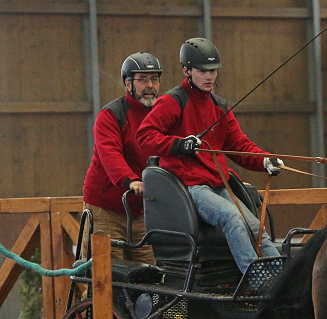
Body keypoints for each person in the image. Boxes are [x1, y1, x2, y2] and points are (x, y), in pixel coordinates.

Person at [137, 37, 283, 276]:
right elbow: (144, 137)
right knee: (232, 218)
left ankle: (282, 281)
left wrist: (265, 160)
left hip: (218, 184)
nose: (210, 77)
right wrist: (179, 145)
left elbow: (239, 145)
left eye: (213, 71)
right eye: (203, 71)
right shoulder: (172, 102)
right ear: (187, 71)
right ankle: (257, 280)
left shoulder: (219, 106)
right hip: (190, 187)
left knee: (256, 227)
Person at [83, 52, 163, 264]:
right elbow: (110, 154)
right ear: (128, 83)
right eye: (143, 79)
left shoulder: (163, 114)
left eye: (155, 79)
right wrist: (131, 180)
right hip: (107, 209)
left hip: (143, 211)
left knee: (149, 274)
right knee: (105, 276)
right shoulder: (111, 115)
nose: (150, 85)